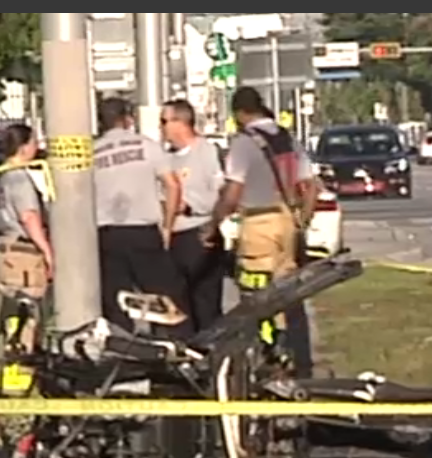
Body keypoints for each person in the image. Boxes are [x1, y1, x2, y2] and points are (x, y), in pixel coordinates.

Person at [210, 87, 318, 377]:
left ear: (239, 114)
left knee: (256, 294)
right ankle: (299, 358)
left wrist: (213, 222)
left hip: (259, 224)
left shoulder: (244, 144)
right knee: (290, 293)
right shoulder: (287, 138)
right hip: (287, 224)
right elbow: (311, 187)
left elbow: (233, 193)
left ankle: (269, 355)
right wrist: (301, 222)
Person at [92, 97, 193, 337]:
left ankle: (122, 349)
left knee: (117, 298)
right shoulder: (147, 146)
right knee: (164, 295)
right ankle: (172, 347)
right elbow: (173, 186)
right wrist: (167, 226)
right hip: (143, 232)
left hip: (107, 233)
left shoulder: (91, 153)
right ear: (127, 120)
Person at [0, 123, 52, 395]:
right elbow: (29, 217)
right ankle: (18, 383)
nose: (37, 147)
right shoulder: (19, 179)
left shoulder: (0, 177)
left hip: (4, 251)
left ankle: (9, 378)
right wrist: (46, 250)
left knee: (9, 314)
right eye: (34, 142)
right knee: (25, 316)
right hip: (22, 254)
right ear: (24, 147)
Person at [160, 98, 229, 332]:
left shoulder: (206, 151)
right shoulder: (165, 157)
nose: (161, 127)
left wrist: (188, 205)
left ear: (180, 122)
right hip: (174, 238)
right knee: (179, 306)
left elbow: (220, 193)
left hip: (200, 234)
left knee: (206, 303)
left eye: (164, 121)